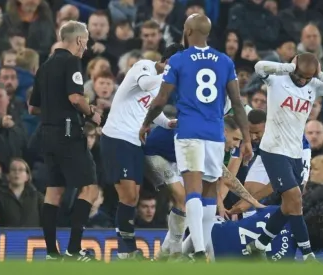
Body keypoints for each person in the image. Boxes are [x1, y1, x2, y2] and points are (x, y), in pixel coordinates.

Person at [140, 13, 253, 261]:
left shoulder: (179, 60)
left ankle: (199, 249)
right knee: (211, 190)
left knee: (192, 190)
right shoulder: (224, 61)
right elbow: (237, 102)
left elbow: (161, 98)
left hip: (189, 132)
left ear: (188, 31)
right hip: (215, 134)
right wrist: (246, 139)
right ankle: (201, 249)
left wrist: (147, 122)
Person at [244, 53, 323, 262]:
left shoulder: (314, 84)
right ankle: (308, 255)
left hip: (295, 153)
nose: (303, 81)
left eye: (307, 78)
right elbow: (259, 67)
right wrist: (289, 68)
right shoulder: (277, 79)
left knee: (288, 206)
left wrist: (320, 75)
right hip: (273, 149)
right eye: (300, 76)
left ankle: (259, 244)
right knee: (295, 198)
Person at [100, 43, 184, 260]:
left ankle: (127, 250)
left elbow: (150, 110)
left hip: (135, 141)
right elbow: (146, 85)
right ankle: (126, 251)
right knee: (128, 195)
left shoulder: (160, 86)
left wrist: (168, 123)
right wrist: (170, 74)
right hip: (117, 136)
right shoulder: (143, 66)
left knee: (133, 196)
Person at [28, 20, 101, 262]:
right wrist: (91, 112)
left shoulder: (45, 66)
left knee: (53, 192)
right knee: (90, 188)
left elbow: (32, 108)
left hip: (47, 135)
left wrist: (54, 108)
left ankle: (51, 253)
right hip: (69, 134)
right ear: (79, 40)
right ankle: (73, 249)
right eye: (86, 41)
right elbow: (74, 98)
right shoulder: (72, 61)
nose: (86, 46)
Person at [145, 114, 263, 261]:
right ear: (225, 131)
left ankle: (162, 256)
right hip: (154, 154)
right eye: (235, 139)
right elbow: (228, 178)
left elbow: (227, 177)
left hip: (174, 158)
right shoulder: (207, 140)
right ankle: (173, 254)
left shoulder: (213, 140)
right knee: (183, 200)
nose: (236, 146)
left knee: (190, 205)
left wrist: (252, 200)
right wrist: (252, 200)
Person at [201, 206, 323, 262]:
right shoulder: (286, 262)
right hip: (219, 262)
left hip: (211, 233)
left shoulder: (281, 212)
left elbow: (248, 216)